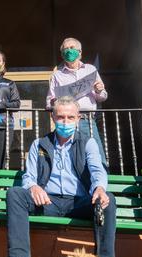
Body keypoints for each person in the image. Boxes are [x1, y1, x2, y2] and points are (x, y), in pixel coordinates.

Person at [0, 96, 116, 257]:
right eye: (60, 117)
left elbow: (97, 170)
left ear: (78, 119)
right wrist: (33, 187)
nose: (65, 122)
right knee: (15, 194)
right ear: (52, 117)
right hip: (48, 202)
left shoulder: (88, 143)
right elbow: (29, 176)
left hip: (79, 203)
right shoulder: (39, 144)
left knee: (108, 201)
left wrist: (99, 188)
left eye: (70, 117)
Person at [47, 37, 108, 165]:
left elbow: (103, 96)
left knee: (95, 155)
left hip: (87, 120)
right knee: (70, 156)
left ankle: (101, 182)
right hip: (66, 121)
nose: (68, 51)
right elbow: (49, 101)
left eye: (72, 48)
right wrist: (54, 102)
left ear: (80, 52)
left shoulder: (90, 69)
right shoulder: (57, 75)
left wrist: (98, 90)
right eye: (65, 49)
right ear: (62, 53)